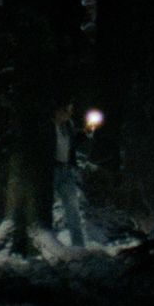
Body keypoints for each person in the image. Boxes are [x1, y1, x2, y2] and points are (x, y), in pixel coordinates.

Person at [52, 101, 86, 247]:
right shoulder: (48, 126)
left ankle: (79, 245)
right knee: (46, 208)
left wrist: (85, 134)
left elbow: (71, 145)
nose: (69, 114)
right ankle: (50, 244)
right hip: (51, 170)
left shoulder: (68, 126)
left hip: (65, 170)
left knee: (73, 209)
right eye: (67, 110)